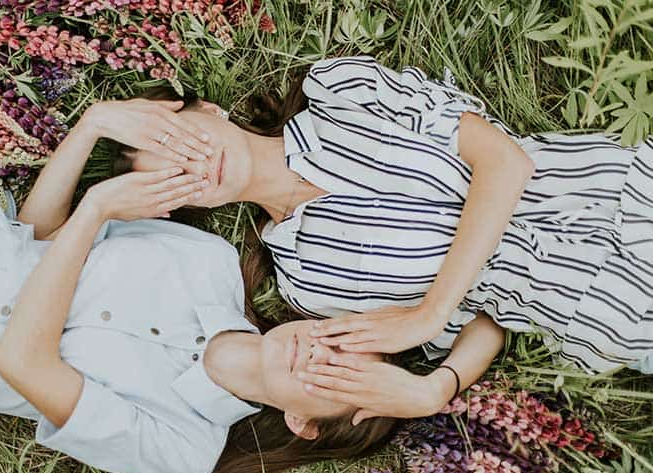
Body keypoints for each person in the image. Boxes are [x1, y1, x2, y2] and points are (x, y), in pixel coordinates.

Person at [0, 103, 398, 473]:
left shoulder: (185, 449)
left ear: (300, 424)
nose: (317, 354)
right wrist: (89, 128)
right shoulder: (208, 261)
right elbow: (38, 243)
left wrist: (95, 210)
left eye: (331, 378)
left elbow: (20, 362)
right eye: (342, 344)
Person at [111, 55, 653, 424]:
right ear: (179, 206)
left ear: (208, 110)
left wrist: (429, 311)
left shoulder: (342, 92)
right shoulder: (307, 284)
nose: (198, 164)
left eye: (182, 141)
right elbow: (486, 321)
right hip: (603, 309)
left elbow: (506, 162)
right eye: (176, 176)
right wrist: (436, 387)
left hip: (612, 189)